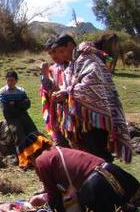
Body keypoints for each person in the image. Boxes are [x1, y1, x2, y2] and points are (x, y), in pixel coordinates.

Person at [51, 34, 132, 163]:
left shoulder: (88, 58)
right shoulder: (72, 64)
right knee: (90, 156)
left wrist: (67, 93)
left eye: (62, 51)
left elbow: (91, 83)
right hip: (82, 120)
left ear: (71, 45)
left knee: (99, 155)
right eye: (59, 53)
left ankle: (109, 180)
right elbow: (69, 85)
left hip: (96, 118)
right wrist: (62, 93)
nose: (61, 56)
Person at [20, 133, 139, 212]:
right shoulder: (59, 150)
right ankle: (124, 204)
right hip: (115, 172)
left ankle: (119, 206)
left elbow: (53, 195)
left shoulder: (41, 160)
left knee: (71, 208)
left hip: (97, 184)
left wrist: (45, 202)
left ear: (30, 156)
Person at [40, 39, 70, 147]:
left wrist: (66, 93)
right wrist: (45, 75)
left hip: (73, 113)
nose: (53, 55)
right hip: (57, 113)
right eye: (50, 53)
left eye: (55, 51)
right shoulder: (52, 69)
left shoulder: (72, 66)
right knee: (61, 143)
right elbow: (47, 90)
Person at [0, 70, 38, 149]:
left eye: (12, 80)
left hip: (23, 115)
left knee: (33, 131)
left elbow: (27, 104)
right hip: (11, 117)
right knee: (18, 134)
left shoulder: (21, 91)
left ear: (16, 81)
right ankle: (23, 155)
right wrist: (19, 104)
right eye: (8, 80)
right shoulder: (2, 92)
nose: (10, 82)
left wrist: (14, 104)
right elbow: (6, 108)